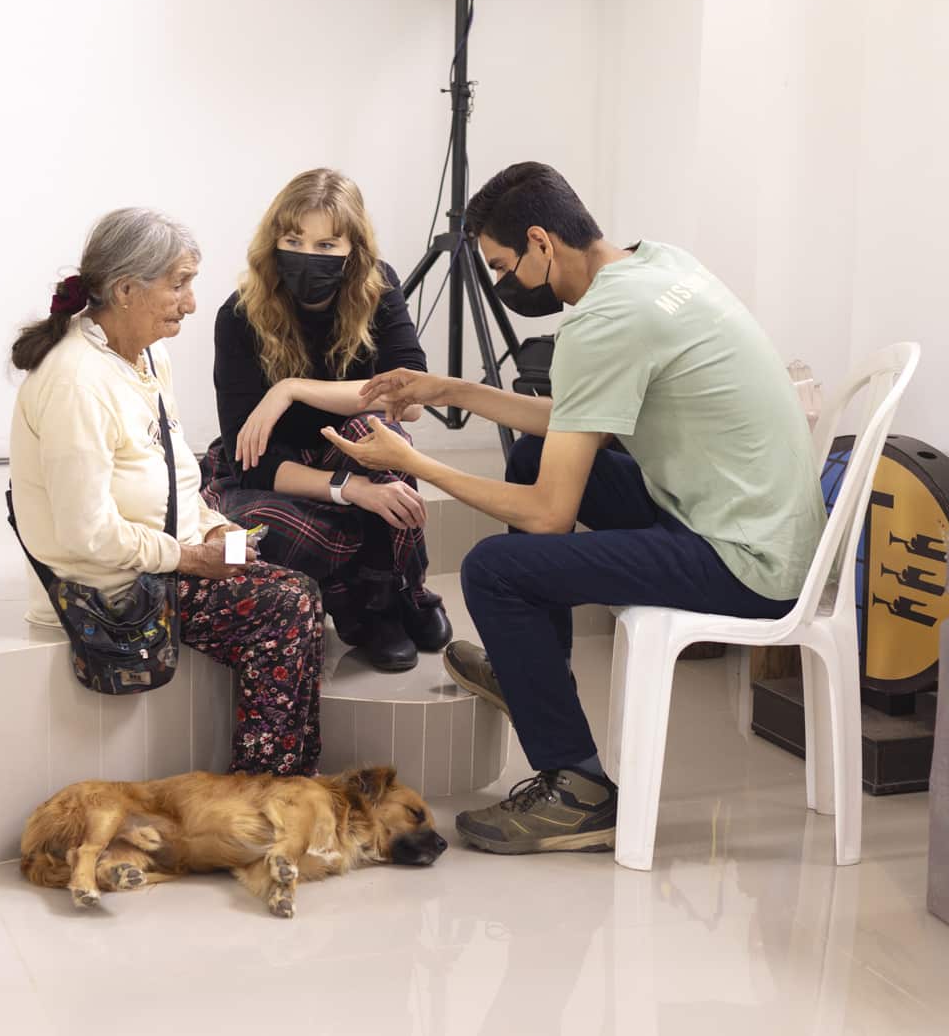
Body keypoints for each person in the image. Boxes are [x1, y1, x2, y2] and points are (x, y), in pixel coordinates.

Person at [324, 162, 826, 853]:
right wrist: (452, 390)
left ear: (541, 242)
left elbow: (548, 516)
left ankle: (578, 789)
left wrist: (412, 463)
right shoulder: (658, 265)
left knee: (494, 569)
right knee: (535, 455)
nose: (503, 284)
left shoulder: (603, 322)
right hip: (754, 519)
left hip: (747, 561)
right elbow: (578, 417)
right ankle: (535, 671)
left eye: (502, 267)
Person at [9, 207, 324, 776]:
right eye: (178, 285)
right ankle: (263, 792)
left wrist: (215, 527)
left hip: (164, 559)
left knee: (292, 573)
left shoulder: (149, 355)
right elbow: (86, 534)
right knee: (289, 602)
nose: (191, 303)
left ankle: (292, 785)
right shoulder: (76, 381)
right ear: (126, 290)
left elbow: (174, 474)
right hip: (108, 586)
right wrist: (191, 557)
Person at [201, 168, 452, 673]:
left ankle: (386, 599)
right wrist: (350, 489)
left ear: (353, 248)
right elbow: (254, 465)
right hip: (279, 473)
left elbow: (412, 400)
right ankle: (368, 597)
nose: (307, 256)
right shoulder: (239, 316)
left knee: (378, 436)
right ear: (273, 241)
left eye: (326, 244)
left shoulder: (378, 287)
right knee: (254, 532)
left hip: (349, 447)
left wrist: (291, 388)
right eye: (293, 241)